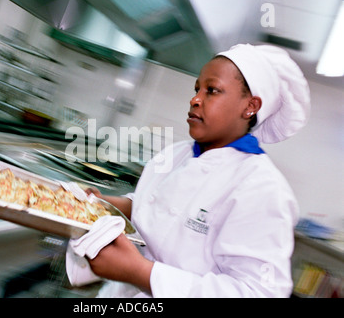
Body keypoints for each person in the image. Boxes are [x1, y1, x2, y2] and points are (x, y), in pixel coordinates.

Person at [84, 43, 310, 298]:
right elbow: (155, 207)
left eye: (212, 90)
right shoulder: (176, 153)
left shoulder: (264, 189)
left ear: (250, 106)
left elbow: (257, 293)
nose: (195, 99)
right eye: (196, 89)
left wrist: (140, 273)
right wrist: (103, 204)